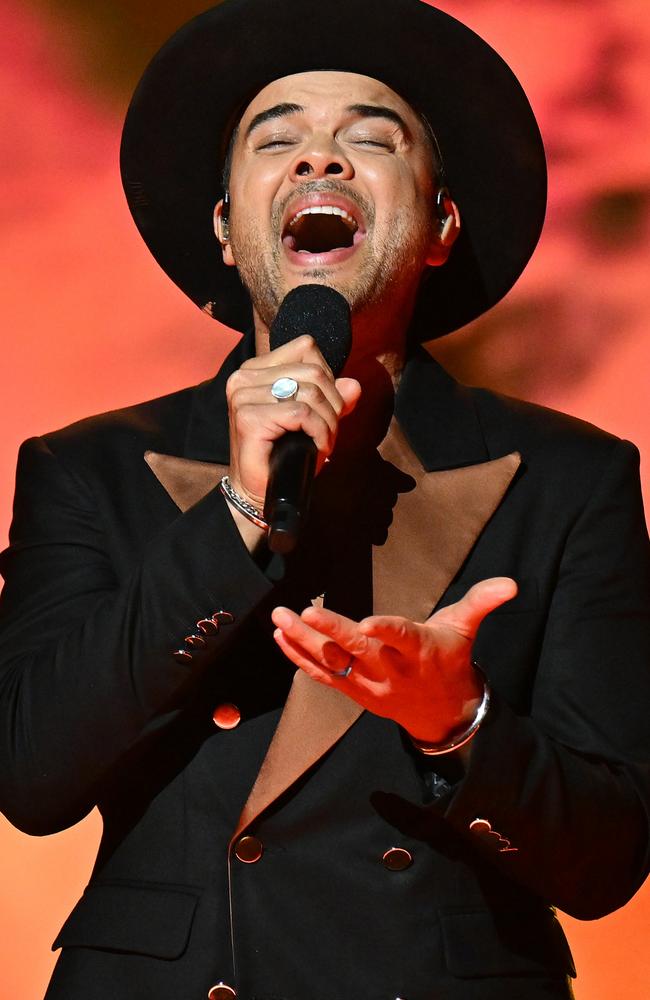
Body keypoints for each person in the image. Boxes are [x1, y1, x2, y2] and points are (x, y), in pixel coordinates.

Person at [1, 1, 649, 998]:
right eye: (278, 139)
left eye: (368, 139)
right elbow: (33, 778)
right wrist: (233, 519)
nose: (319, 161)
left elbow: (604, 863)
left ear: (438, 224)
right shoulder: (87, 469)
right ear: (224, 226)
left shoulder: (570, 476)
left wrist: (458, 722)